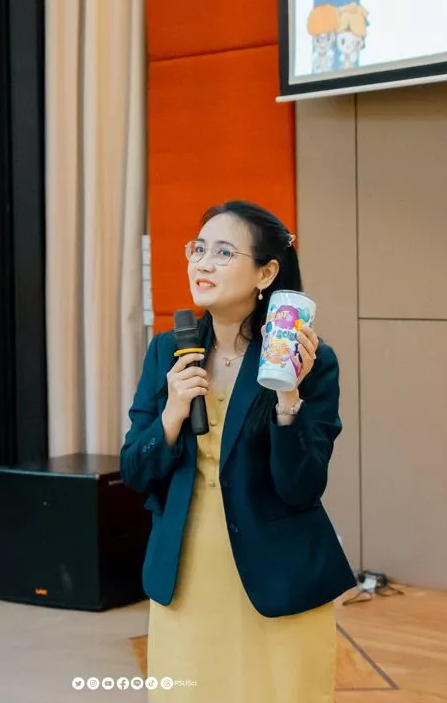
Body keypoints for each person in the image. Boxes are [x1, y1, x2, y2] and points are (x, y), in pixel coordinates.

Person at [120, 201, 356, 702]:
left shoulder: (312, 361)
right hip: (186, 578)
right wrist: (171, 414)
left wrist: (288, 397)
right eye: (198, 249)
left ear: (266, 273)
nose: (202, 264)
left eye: (224, 253)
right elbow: (135, 470)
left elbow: (302, 487)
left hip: (276, 580)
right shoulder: (168, 350)